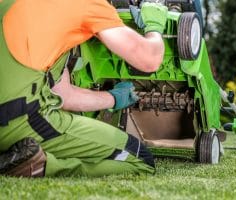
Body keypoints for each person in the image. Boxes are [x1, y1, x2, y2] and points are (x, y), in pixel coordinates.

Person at [0, 0, 168, 177]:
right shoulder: (88, 3)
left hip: (13, 109)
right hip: (16, 121)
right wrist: (154, 26)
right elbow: (149, 59)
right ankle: (42, 166)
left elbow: (63, 94)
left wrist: (114, 97)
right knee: (140, 159)